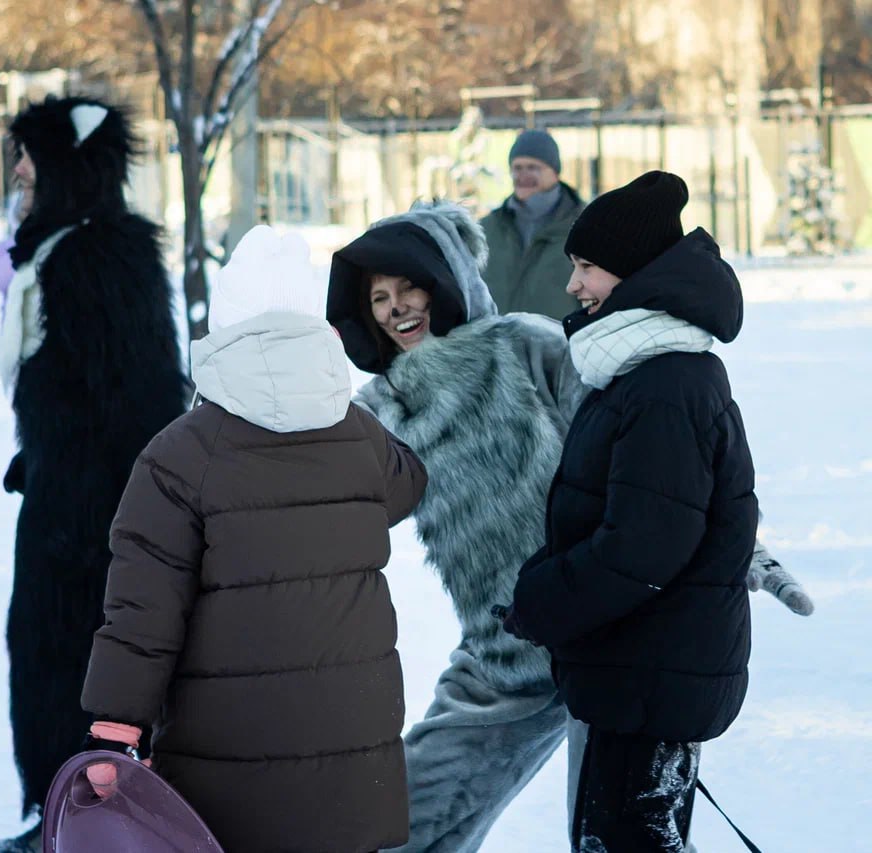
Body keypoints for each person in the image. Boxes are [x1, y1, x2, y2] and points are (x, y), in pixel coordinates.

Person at [325, 198, 813, 852]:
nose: (396, 306)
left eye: (408, 284)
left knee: (622, 835)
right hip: (505, 656)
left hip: (609, 635)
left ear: (443, 280)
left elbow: (656, 469)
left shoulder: (528, 344)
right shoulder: (380, 408)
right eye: (378, 297)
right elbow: (332, 508)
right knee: (399, 820)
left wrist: (743, 548)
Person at [79, 225, 428, 853]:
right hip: (353, 755)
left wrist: (114, 727)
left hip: (227, 767)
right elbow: (407, 486)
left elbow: (143, 612)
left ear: (225, 325)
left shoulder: (181, 456)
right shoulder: (362, 437)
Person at [503, 171, 757, 852]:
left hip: (650, 679)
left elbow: (642, 548)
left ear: (636, 275)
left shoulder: (665, 387)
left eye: (587, 267)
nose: (573, 285)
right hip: (639, 674)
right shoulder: (643, 373)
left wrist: (538, 598)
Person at [0, 95, 191, 853]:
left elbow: (138, 396)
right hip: (66, 497)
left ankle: (83, 823)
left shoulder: (99, 256)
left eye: (29, 154)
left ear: (65, 165)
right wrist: (37, 453)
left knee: (78, 666)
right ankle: (62, 815)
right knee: (51, 660)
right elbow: (73, 382)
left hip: (94, 520)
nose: (18, 169)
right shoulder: (67, 248)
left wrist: (85, 503)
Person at [480, 128, 585, 318]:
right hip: (499, 344)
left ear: (555, 171)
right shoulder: (487, 229)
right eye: (517, 168)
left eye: (533, 167)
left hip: (559, 344)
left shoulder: (585, 225)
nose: (523, 175)